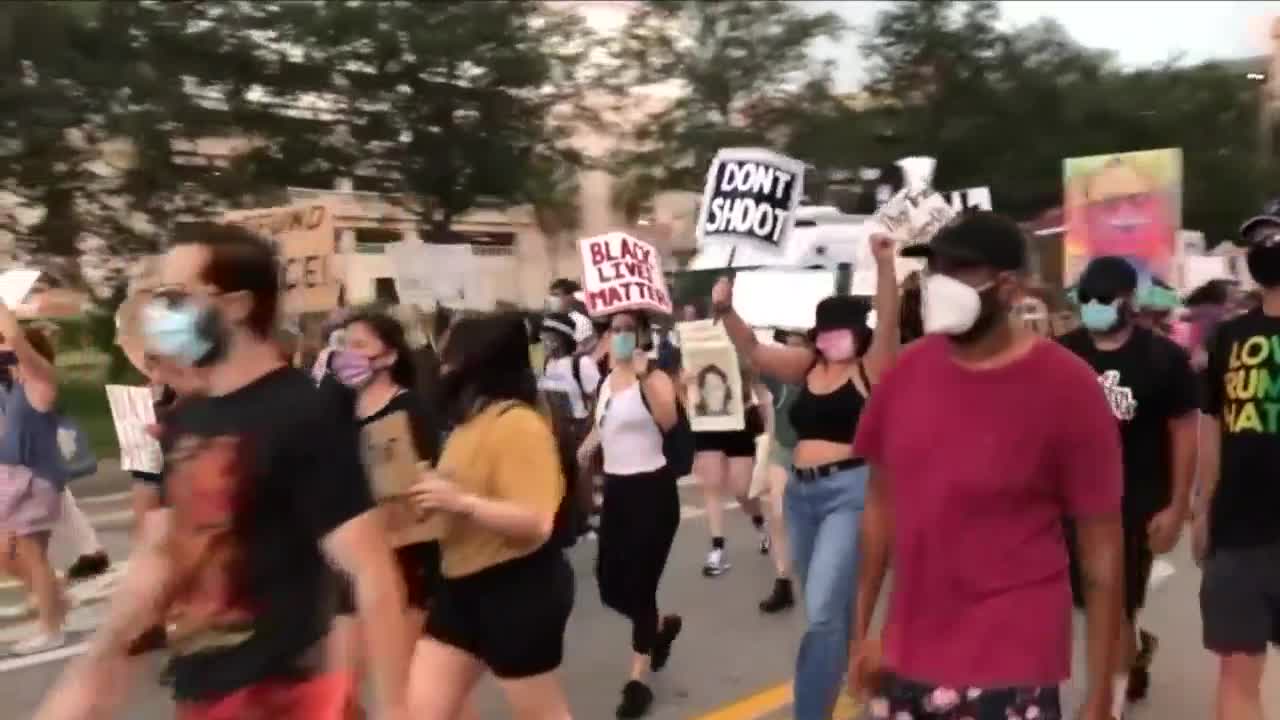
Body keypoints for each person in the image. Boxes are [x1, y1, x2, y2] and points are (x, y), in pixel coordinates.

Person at [34, 223, 411, 720]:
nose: (162, 312)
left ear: (236, 305)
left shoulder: (303, 413)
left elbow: (372, 571)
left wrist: (398, 710)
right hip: (205, 694)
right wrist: (95, 664)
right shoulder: (189, 416)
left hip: (288, 698)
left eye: (176, 296)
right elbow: (161, 554)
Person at [850, 212, 1124, 720]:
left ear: (1009, 286)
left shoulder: (1069, 388)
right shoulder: (905, 375)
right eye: (934, 271)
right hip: (908, 653)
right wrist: (863, 632)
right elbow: (879, 508)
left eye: (959, 271)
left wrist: (1101, 691)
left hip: (1013, 659)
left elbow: (1102, 549)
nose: (940, 285)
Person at [710, 233, 899, 720]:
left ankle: (821, 706)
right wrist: (727, 310)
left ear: (860, 333)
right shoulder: (807, 364)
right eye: (826, 330)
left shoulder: (872, 367)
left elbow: (890, 315)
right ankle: (856, 684)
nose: (833, 338)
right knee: (829, 611)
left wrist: (884, 264)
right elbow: (753, 350)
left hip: (850, 492)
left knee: (819, 613)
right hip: (802, 496)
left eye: (843, 330)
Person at [406, 312, 574, 719]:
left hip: (517, 587)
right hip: (460, 586)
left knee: (541, 713)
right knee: (423, 710)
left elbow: (536, 522)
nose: (441, 366)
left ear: (478, 361)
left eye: (450, 356)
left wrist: (461, 502)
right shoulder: (467, 425)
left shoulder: (518, 424)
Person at [1058, 256, 1199, 717]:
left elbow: (1184, 430)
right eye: (1088, 300)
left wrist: (1178, 506)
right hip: (1074, 503)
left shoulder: (1163, 358)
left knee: (1114, 603)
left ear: (1129, 302)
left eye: (1104, 300)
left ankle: (1106, 703)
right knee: (1097, 604)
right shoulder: (1063, 353)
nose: (1094, 307)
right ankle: (1129, 660)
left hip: (1137, 500)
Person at [326, 310, 448, 720]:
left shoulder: (410, 408)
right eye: (344, 345)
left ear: (389, 356)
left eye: (360, 345)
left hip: (405, 559)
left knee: (407, 688)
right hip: (351, 560)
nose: (348, 355)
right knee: (339, 691)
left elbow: (432, 476)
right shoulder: (336, 412)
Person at [1195, 213, 1280, 720]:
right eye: (1262, 240)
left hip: (1240, 532)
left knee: (1237, 679)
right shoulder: (1226, 338)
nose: (1267, 246)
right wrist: (1202, 507)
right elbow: (1212, 426)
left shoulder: (1228, 338)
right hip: (1238, 529)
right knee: (1237, 676)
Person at [578, 309, 683, 718]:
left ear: (641, 334)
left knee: (641, 587)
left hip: (652, 493)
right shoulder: (606, 381)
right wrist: (581, 453)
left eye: (627, 330)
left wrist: (642, 375)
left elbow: (669, 420)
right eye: (614, 329)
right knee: (609, 584)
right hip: (619, 494)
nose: (620, 336)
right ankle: (658, 630)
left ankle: (637, 682)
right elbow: (602, 428)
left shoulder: (653, 378)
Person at [0, 321, 70, 655]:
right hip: (13, 479)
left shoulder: (41, 381)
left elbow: (15, 337)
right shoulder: (14, 386)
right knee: (7, 552)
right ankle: (54, 599)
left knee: (32, 553)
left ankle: (50, 628)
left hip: (36, 479)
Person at [690, 364, 769, 577]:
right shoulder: (698, 343)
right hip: (709, 421)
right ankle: (717, 548)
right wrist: (686, 386)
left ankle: (760, 522)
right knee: (711, 485)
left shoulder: (739, 344)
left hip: (740, 419)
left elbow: (758, 383)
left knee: (742, 490)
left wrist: (765, 414)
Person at [756, 329, 807, 613]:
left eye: (799, 344)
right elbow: (747, 363)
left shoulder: (824, 369)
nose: (793, 352)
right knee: (777, 514)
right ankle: (783, 581)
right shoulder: (777, 376)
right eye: (789, 343)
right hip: (783, 449)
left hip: (821, 453)